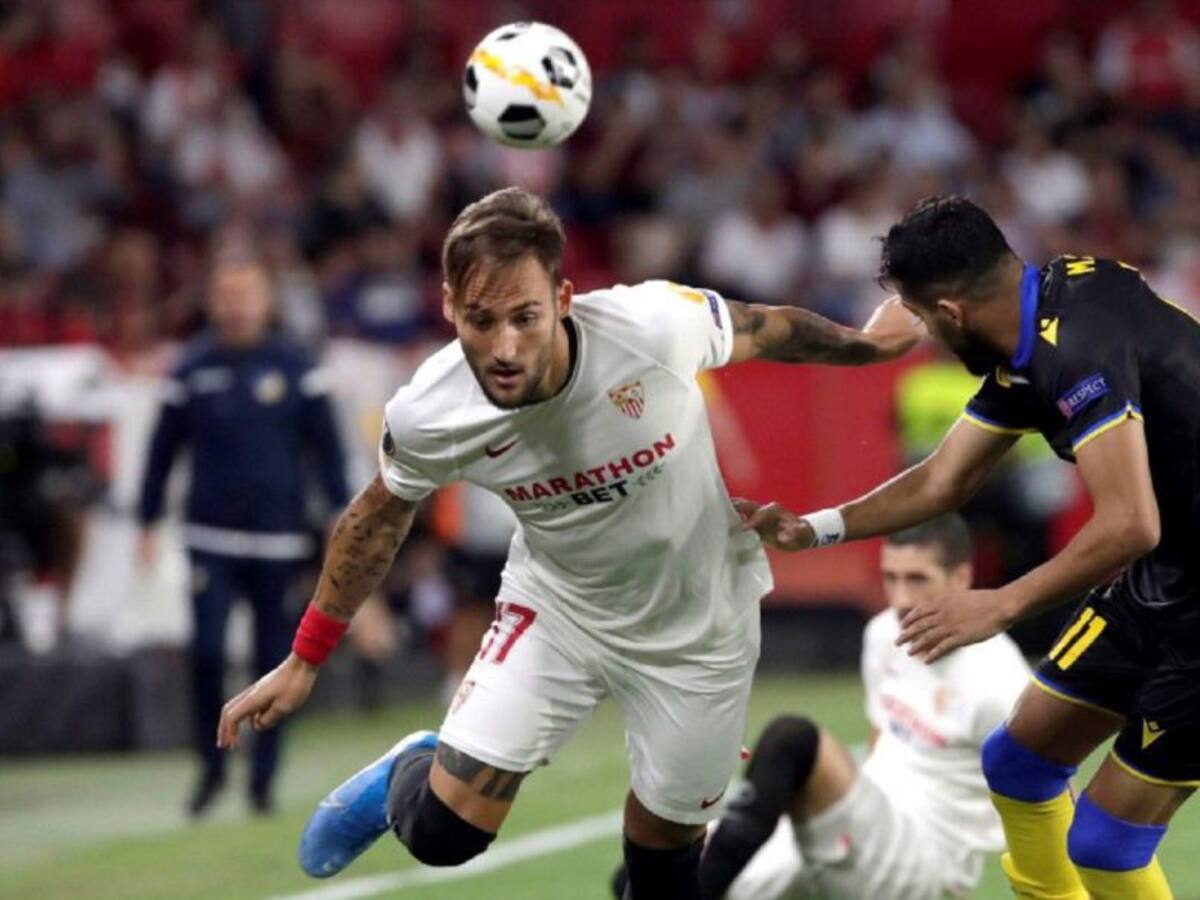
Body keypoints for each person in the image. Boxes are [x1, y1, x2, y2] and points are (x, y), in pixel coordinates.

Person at [215, 186, 920, 900]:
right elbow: (375, 519)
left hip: (700, 624)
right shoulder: (432, 410)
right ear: (450, 307)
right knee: (442, 835)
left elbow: (770, 329)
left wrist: (872, 345)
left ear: (562, 298)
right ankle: (412, 767)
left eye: (525, 317)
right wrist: (305, 659)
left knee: (664, 875)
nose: (504, 348)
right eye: (481, 321)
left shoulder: (651, 327)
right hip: (559, 610)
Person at [737, 195, 1200, 899]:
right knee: (1016, 763)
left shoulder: (1074, 354)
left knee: (1105, 844)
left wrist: (1000, 605)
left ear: (951, 312)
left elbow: (1131, 523)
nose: (923, 333)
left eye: (922, 318)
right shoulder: (1037, 328)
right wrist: (816, 528)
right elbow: (941, 480)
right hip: (1168, 574)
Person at [613, 514, 1029, 900]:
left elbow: (1046, 791)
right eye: (891, 578)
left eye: (918, 579)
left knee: (792, 741)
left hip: (926, 861)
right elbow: (882, 737)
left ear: (961, 577)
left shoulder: (998, 681)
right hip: (866, 823)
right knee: (646, 877)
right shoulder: (884, 634)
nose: (902, 598)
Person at [138, 256, 349, 816]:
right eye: (226, 295)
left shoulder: (297, 367)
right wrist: (146, 520)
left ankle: (262, 779)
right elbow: (161, 452)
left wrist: (340, 517)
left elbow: (327, 451)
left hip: (279, 539)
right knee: (207, 651)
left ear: (266, 301)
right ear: (212, 301)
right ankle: (211, 767)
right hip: (210, 536)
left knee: (274, 659)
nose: (236, 307)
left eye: (246, 294)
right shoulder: (190, 368)